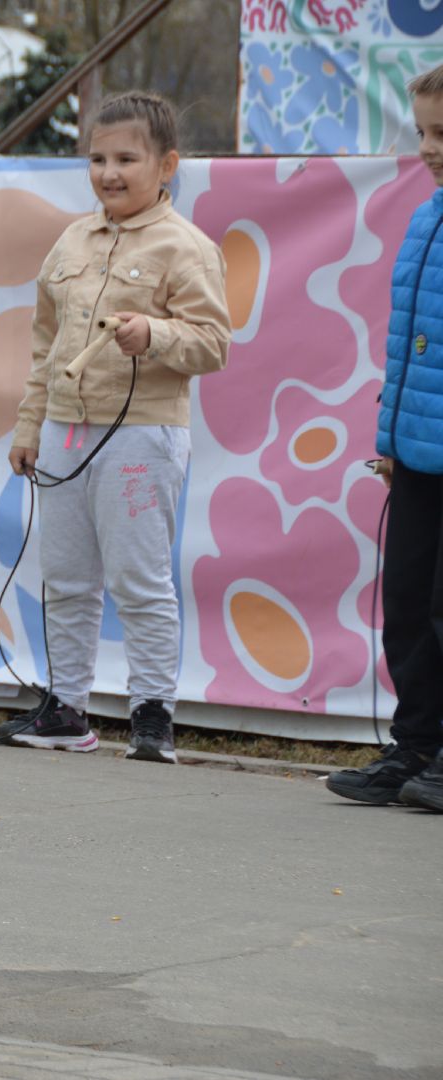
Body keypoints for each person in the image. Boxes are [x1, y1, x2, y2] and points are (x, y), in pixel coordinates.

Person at [0, 91, 230, 764]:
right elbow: (47, 345)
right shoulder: (72, 240)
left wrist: (152, 333)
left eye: (127, 158)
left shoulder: (188, 247)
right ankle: (67, 707)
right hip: (66, 431)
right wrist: (28, 426)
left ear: (168, 166)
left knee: (140, 578)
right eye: (97, 158)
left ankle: (152, 713)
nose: (109, 172)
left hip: (143, 436)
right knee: (66, 578)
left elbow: (213, 344)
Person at [327, 63, 443, 810]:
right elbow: (408, 342)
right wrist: (393, 436)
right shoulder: (428, 214)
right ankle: (418, 745)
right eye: (426, 131)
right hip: (418, 451)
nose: (431, 148)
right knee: (405, 603)